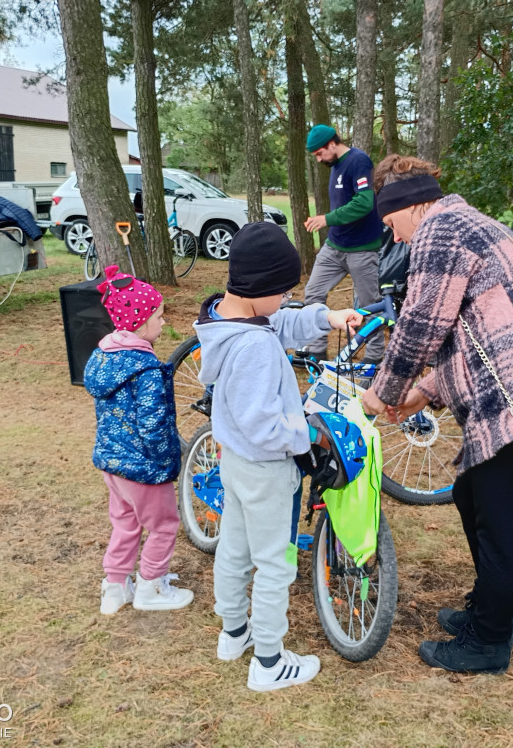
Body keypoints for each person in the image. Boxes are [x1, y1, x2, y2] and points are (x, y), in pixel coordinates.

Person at [360, 155, 513, 674]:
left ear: (411, 205)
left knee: (499, 523)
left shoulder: (440, 232)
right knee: (470, 494)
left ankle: (488, 641)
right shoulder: (474, 225)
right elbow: (479, 327)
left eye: (390, 221)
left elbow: (421, 322)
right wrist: (425, 391)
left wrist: (385, 389)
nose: (392, 236)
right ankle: (486, 611)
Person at [193, 221, 362, 692]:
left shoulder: (229, 319)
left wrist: (325, 317)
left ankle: (234, 633)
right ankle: (268, 661)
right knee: (275, 562)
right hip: (267, 469)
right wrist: (307, 434)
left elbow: (279, 318)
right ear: (261, 289)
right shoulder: (255, 347)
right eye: (284, 290)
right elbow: (265, 425)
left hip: (237, 462)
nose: (288, 298)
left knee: (235, 547)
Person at [85, 264, 194, 615]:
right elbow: (153, 424)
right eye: (159, 317)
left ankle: (115, 587)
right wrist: (166, 462)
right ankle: (151, 586)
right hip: (143, 467)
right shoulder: (145, 370)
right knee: (164, 525)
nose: (164, 323)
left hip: (112, 463)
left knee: (125, 522)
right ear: (139, 321)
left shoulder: (105, 357)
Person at [300, 124, 385, 364]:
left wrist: (326, 219)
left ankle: (374, 356)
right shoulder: (335, 165)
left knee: (370, 305)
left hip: (362, 249)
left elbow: (364, 203)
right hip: (335, 246)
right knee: (313, 293)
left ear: (332, 144)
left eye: (319, 153)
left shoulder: (358, 161)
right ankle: (316, 352)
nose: (318, 159)